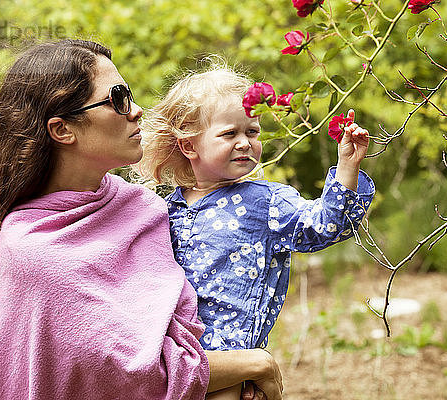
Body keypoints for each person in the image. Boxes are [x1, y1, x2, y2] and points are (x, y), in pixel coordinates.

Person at [0, 40, 282, 400]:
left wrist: (233, 383)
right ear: (63, 130)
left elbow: (191, 324)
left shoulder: (144, 208)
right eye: (118, 99)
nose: (138, 111)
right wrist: (253, 366)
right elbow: (132, 377)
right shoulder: (32, 250)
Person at [136, 65, 375, 399]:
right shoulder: (163, 210)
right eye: (229, 134)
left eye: (252, 132)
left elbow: (325, 225)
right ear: (190, 147)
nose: (244, 143)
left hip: (232, 363)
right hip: (173, 362)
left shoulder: (265, 202)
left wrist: (348, 167)